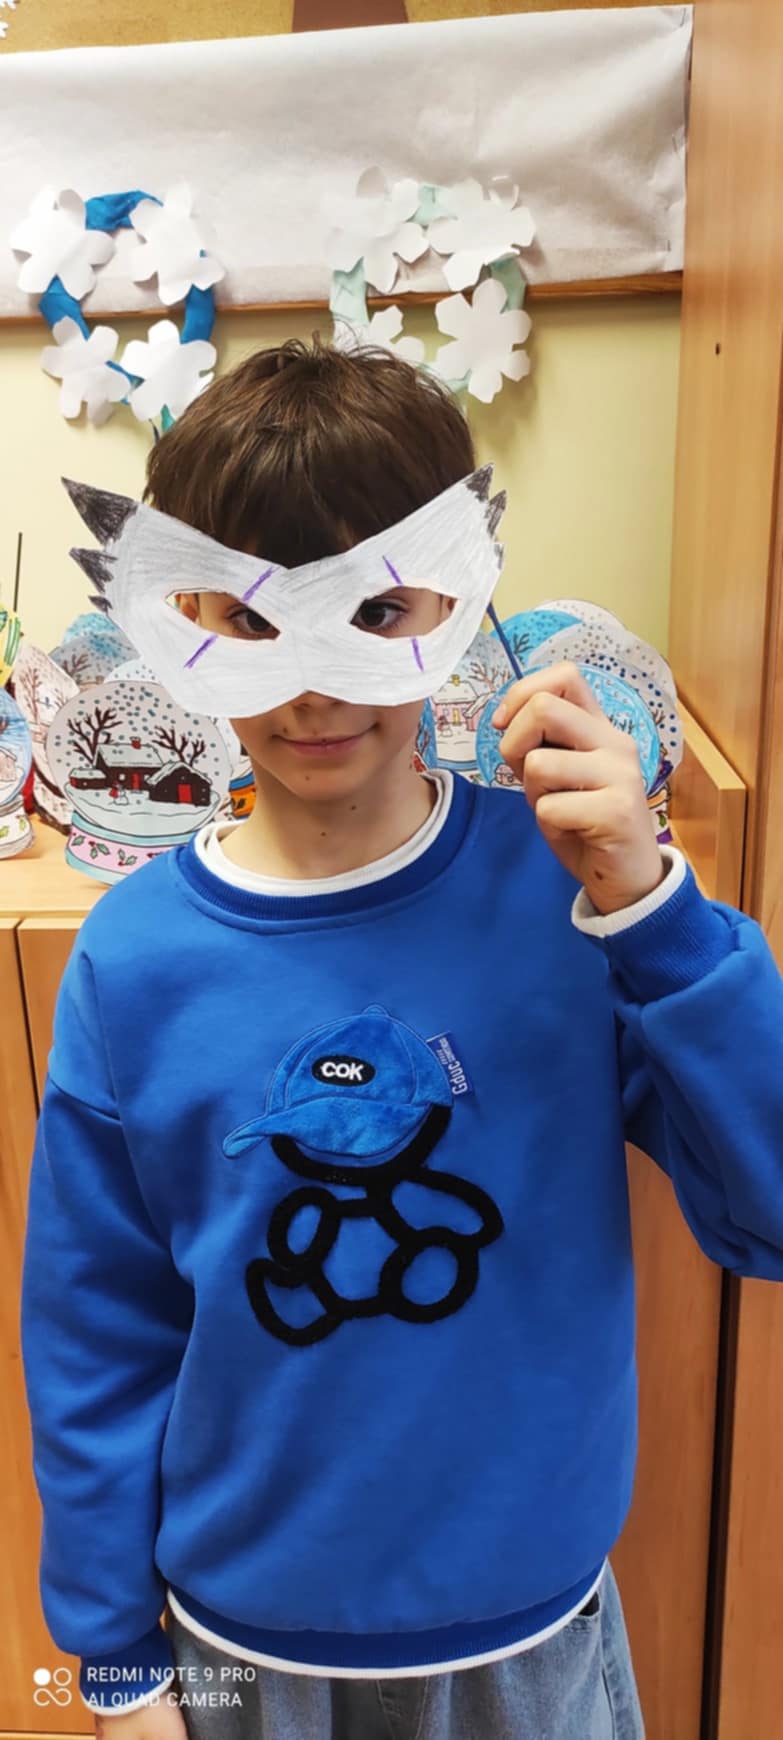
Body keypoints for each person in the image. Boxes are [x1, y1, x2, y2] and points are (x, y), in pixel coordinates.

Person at [20, 339, 783, 1740]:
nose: (313, 687)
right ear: (175, 614)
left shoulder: (563, 901)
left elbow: (772, 1211)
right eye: (249, 622)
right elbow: (94, 1334)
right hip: (241, 1646)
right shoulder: (133, 963)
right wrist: (112, 1664)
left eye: (375, 611)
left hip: (532, 1635)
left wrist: (657, 914)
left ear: (459, 593)